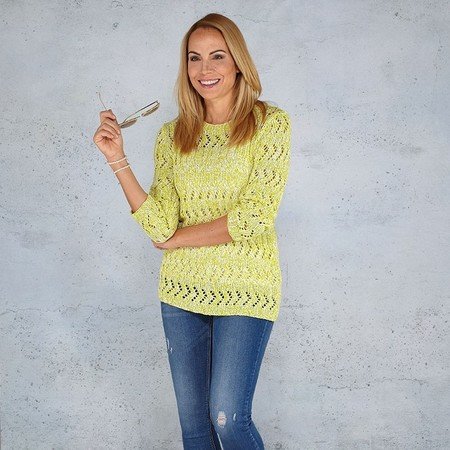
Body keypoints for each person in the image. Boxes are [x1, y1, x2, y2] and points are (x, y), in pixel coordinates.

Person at [93, 12, 291, 450]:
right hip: (181, 291)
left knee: (228, 418)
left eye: (217, 56)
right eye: (194, 58)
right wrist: (116, 159)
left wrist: (175, 240)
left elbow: (254, 216)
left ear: (238, 62)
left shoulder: (269, 123)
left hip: (246, 287)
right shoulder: (173, 136)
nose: (205, 69)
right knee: (195, 430)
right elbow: (159, 224)